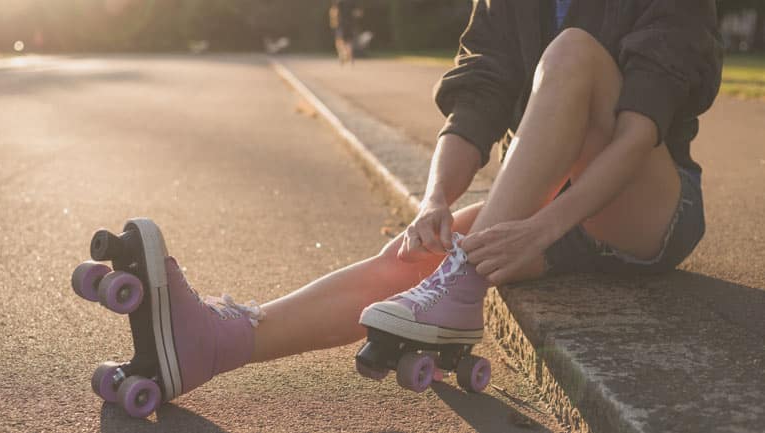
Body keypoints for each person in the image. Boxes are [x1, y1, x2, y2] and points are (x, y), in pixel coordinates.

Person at [84, 0, 722, 416]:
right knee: (414, 259)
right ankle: (218, 343)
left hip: (646, 210)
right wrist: (435, 201)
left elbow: (640, 134)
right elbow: (478, 100)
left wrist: (539, 230)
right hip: (550, 208)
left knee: (574, 51)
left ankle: (460, 281)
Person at [329, 0, 356, 65]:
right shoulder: (351, 2)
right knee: (348, 41)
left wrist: (333, 22)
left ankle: (343, 55)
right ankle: (349, 55)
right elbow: (357, 13)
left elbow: (334, 12)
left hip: (340, 24)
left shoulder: (339, 3)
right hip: (350, 24)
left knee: (339, 41)